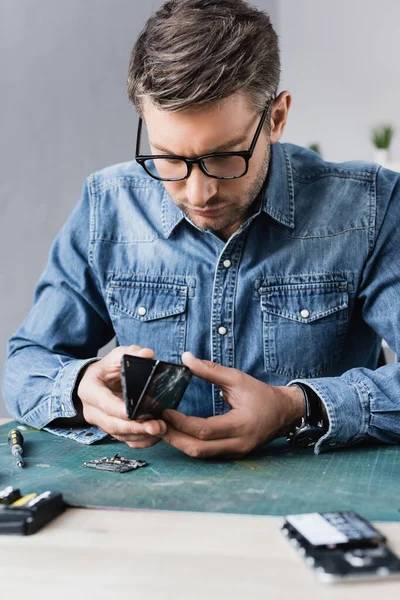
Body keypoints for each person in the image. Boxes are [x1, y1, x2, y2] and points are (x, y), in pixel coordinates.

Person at [3, 0, 400, 459]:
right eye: (169, 158)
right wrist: (79, 389)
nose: (198, 192)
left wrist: (295, 406)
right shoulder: (107, 207)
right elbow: (24, 363)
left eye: (225, 157)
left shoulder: (370, 206)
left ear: (276, 118)